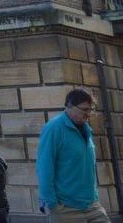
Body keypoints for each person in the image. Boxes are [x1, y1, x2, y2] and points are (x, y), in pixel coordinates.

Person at [37, 88, 109, 223]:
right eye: (85, 109)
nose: (88, 114)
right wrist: (51, 203)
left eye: (91, 109)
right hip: (66, 209)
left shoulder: (86, 128)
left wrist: (94, 195)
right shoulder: (53, 128)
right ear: (69, 105)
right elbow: (44, 167)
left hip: (92, 205)